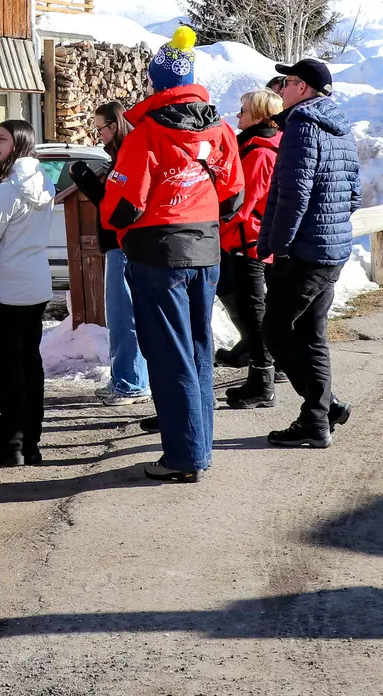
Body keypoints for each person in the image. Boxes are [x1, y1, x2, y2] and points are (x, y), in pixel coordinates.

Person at [100, 26, 244, 484]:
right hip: (206, 247)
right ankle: (198, 447)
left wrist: (104, 200)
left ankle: (183, 455)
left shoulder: (146, 134)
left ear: (156, 84)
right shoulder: (220, 128)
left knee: (168, 353)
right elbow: (234, 194)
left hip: (159, 252)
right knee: (200, 347)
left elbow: (124, 205)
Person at [257, 58, 361, 449]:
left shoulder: (302, 125)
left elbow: (292, 193)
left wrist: (279, 246)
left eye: (286, 82)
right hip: (332, 248)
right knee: (311, 334)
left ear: (302, 88)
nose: (279, 90)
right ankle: (319, 419)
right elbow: (353, 195)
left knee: (274, 330)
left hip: (304, 251)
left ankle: (324, 409)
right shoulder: (340, 126)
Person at [0, 120, 54, 466]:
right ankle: (29, 443)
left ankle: (12, 445)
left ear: (18, 143)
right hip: (35, 284)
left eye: (2, 139)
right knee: (30, 366)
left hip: (5, 288)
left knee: (7, 370)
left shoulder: (6, 190)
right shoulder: (42, 181)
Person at [65, 102, 149, 406]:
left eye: (100, 127)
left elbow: (115, 207)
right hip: (121, 245)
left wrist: (85, 179)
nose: (98, 134)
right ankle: (126, 378)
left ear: (114, 126)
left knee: (123, 315)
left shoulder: (127, 155)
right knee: (121, 315)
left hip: (122, 245)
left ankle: (131, 382)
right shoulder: (123, 154)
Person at [219, 87, 284, 410]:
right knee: (256, 310)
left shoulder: (258, 153)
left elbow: (243, 204)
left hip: (248, 243)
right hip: (254, 241)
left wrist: (217, 221)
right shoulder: (265, 145)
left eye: (243, 110)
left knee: (253, 313)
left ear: (259, 115)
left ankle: (262, 382)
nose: (238, 115)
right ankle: (264, 375)